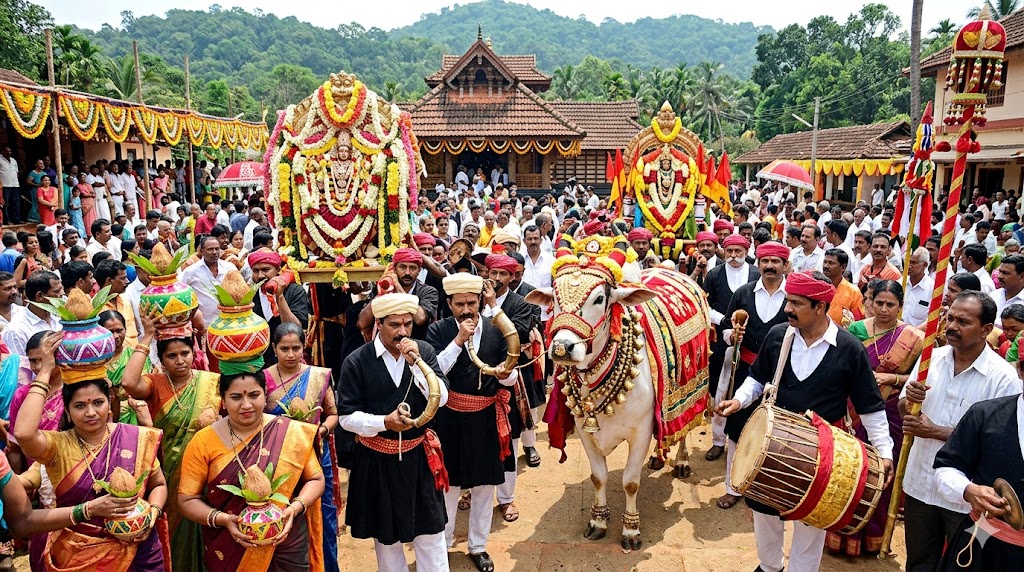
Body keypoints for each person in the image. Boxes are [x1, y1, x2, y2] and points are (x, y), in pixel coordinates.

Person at [718, 271, 895, 572]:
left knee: (812, 522)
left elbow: (870, 407)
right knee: (764, 512)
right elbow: (757, 379)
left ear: (820, 307)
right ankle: (770, 566)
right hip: (772, 445)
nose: (787, 308)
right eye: (788, 300)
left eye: (796, 303)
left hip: (825, 454)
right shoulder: (778, 336)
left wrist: (885, 452)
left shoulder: (849, 348)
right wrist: (739, 400)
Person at [13, 332, 167, 571]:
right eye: (80, 406)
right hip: (81, 553)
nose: (91, 412)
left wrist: (152, 514)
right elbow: (23, 433)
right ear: (67, 411)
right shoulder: (57, 446)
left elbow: (158, 484)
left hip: (141, 551)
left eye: (98, 403)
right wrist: (44, 372)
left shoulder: (136, 437)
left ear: (110, 402)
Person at [900, 290, 1021, 572]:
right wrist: (909, 403)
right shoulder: (931, 357)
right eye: (950, 318)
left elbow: (1001, 443)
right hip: (920, 481)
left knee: (962, 564)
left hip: (968, 498)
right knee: (918, 562)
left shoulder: (1004, 378)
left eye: (963, 322)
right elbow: (905, 410)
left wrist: (937, 431)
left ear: (986, 330)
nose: (952, 326)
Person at [337, 292, 451, 572]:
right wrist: (383, 423)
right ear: (378, 323)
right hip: (377, 461)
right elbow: (346, 417)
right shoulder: (357, 360)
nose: (402, 332)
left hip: (419, 458)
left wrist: (419, 367)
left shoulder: (423, 351)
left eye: (408, 325)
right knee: (386, 541)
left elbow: (443, 398)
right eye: (395, 325)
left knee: (431, 534)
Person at [178, 370, 325, 571]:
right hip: (229, 546)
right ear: (222, 399)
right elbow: (187, 500)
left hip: (287, 542)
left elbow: (316, 479)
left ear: (265, 395)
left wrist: (293, 509)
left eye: (254, 395)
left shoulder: (292, 432)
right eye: (236, 397)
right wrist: (224, 520)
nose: (246, 405)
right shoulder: (203, 442)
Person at [427, 274, 517, 572]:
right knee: (449, 484)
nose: (467, 310)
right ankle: (444, 542)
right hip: (451, 419)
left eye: (472, 303)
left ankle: (478, 546)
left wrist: (506, 374)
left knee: (483, 486)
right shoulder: (438, 330)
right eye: (460, 304)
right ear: (449, 304)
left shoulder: (495, 329)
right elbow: (433, 371)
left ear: (480, 301)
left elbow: (512, 373)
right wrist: (458, 341)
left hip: (486, 419)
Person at [827, 280, 924, 556]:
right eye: (878, 302)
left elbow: (920, 379)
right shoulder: (856, 330)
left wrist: (891, 377)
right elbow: (842, 368)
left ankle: (871, 538)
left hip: (889, 412)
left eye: (890, 304)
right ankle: (840, 536)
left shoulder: (913, 339)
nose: (883, 309)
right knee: (848, 472)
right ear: (869, 301)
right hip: (852, 410)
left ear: (901, 306)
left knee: (880, 473)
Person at [121, 310, 222, 572]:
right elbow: (128, 382)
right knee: (176, 535)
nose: (180, 361)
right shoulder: (154, 384)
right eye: (171, 356)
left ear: (193, 352)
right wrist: (147, 336)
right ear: (162, 359)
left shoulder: (211, 383)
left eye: (185, 353)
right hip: (170, 476)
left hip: (208, 476)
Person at [713, 241, 791, 509]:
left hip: (783, 375)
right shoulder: (744, 293)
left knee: (776, 435)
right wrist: (732, 336)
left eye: (776, 262)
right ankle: (732, 486)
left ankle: (765, 488)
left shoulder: (793, 296)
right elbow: (725, 326)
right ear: (758, 264)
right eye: (765, 261)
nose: (770, 266)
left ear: (785, 266)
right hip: (745, 372)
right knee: (737, 430)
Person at [932, 360, 1024, 570]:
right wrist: (968, 490)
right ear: (1021, 370)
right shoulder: (985, 415)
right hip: (984, 531)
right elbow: (946, 468)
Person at [263, 323, 341, 572]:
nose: (290, 354)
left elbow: (332, 414)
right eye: (284, 348)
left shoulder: (318, 376)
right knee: (284, 515)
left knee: (323, 517)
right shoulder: (263, 380)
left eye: (296, 348)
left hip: (317, 456)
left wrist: (322, 430)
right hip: (278, 461)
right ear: (274, 349)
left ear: (303, 346)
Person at [702, 234, 759, 462]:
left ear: (746, 251)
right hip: (720, 339)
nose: (734, 256)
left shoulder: (756, 274)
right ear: (723, 252)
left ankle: (745, 442)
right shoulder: (715, 274)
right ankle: (718, 441)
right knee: (719, 392)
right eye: (729, 252)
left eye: (738, 251)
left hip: (751, 340)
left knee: (748, 392)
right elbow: (706, 305)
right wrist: (727, 322)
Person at [100, 310, 152, 426]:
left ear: (125, 329)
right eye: (110, 332)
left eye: (119, 331)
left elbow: (145, 385)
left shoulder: (136, 356)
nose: (116, 336)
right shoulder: (95, 362)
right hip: (106, 417)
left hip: (137, 412)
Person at [2, 270, 63, 356]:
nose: (62, 294)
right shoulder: (16, 330)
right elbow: (20, 366)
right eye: (57, 291)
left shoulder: (60, 318)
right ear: (40, 296)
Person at [821, 248, 864, 327]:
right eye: (825, 262)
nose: (826, 266)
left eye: (831, 263)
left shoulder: (853, 292)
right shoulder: (817, 286)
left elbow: (858, 322)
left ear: (843, 267)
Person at [903, 247, 934, 329]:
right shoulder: (899, 283)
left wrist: (912, 334)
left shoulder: (933, 288)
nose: (909, 266)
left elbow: (933, 318)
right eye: (908, 262)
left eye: (913, 263)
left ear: (925, 265)